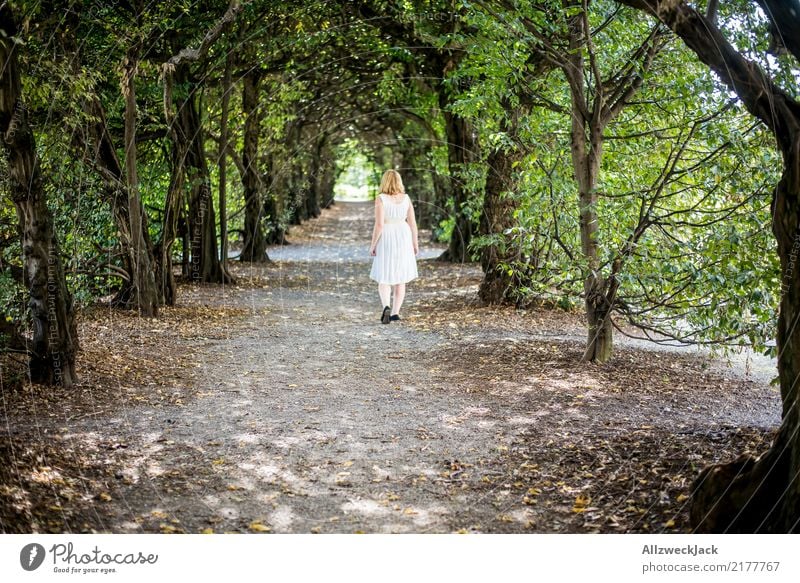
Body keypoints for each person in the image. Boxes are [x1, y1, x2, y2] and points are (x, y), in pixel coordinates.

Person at [369, 169, 419, 324]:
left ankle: (386, 306)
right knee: (401, 276)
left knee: (384, 274)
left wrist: (373, 245)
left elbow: (379, 225)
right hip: (403, 235)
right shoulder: (406, 198)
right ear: (399, 181)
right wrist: (415, 244)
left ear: (384, 182)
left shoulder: (381, 199)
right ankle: (395, 313)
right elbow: (413, 224)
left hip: (387, 236)